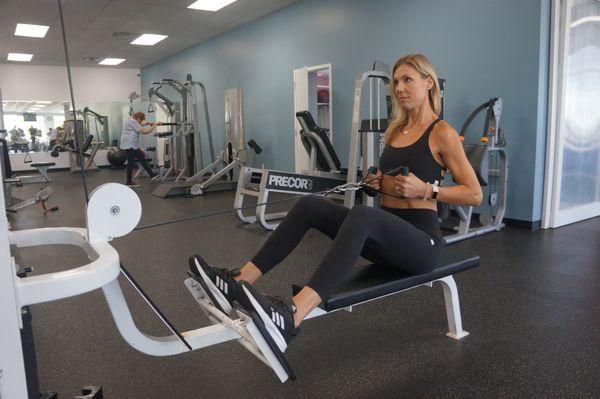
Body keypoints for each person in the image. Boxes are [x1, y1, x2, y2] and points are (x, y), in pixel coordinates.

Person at [190, 54, 483, 359]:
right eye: (396, 81)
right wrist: (376, 182)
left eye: (408, 80)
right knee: (309, 205)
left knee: (364, 216)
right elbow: (389, 187)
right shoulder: (394, 131)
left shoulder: (442, 133)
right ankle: (239, 281)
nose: (399, 88)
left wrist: (429, 190)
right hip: (387, 240)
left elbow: (473, 194)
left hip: (423, 244)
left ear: (428, 82)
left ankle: (292, 315)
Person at [120, 112, 160, 188]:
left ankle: (151, 174)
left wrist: (150, 123)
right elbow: (145, 131)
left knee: (142, 159)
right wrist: (155, 125)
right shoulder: (132, 122)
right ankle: (129, 182)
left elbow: (142, 123)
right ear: (138, 118)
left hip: (132, 144)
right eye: (140, 120)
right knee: (131, 162)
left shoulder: (132, 119)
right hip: (130, 144)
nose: (140, 122)